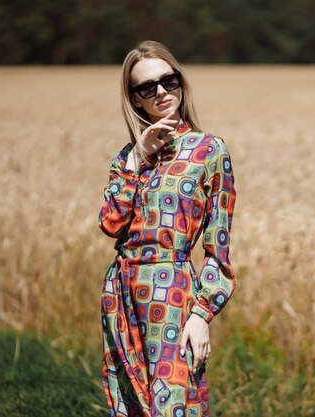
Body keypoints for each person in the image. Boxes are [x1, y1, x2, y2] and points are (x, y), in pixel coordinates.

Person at [98, 40, 237, 417]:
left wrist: (201, 315)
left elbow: (217, 247)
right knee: (127, 405)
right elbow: (111, 223)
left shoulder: (210, 151)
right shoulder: (128, 158)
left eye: (168, 80)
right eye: (147, 87)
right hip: (120, 292)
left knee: (173, 404)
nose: (161, 92)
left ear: (181, 82)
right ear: (135, 99)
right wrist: (138, 157)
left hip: (173, 294)